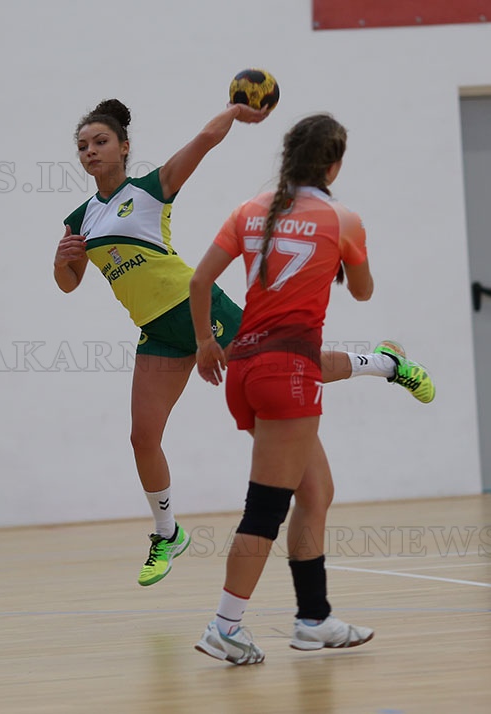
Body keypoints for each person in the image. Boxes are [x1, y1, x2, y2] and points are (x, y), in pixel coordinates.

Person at [55, 100, 433, 589]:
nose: (90, 151)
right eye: (82, 146)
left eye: (100, 141)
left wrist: (234, 112)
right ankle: (168, 533)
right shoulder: (79, 218)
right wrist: (61, 261)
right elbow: (69, 283)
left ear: (124, 147)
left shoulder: (150, 189)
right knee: (142, 438)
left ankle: (386, 363)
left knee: (300, 365)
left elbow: (204, 141)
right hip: (157, 331)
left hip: (200, 311)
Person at [189, 113, 434, 664]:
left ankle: (314, 620)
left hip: (245, 366)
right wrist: (345, 258)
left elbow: (199, 280)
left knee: (316, 492)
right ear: (333, 165)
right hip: (288, 374)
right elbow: (364, 292)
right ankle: (225, 627)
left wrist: (205, 341)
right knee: (264, 511)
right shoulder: (341, 219)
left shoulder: (249, 210)